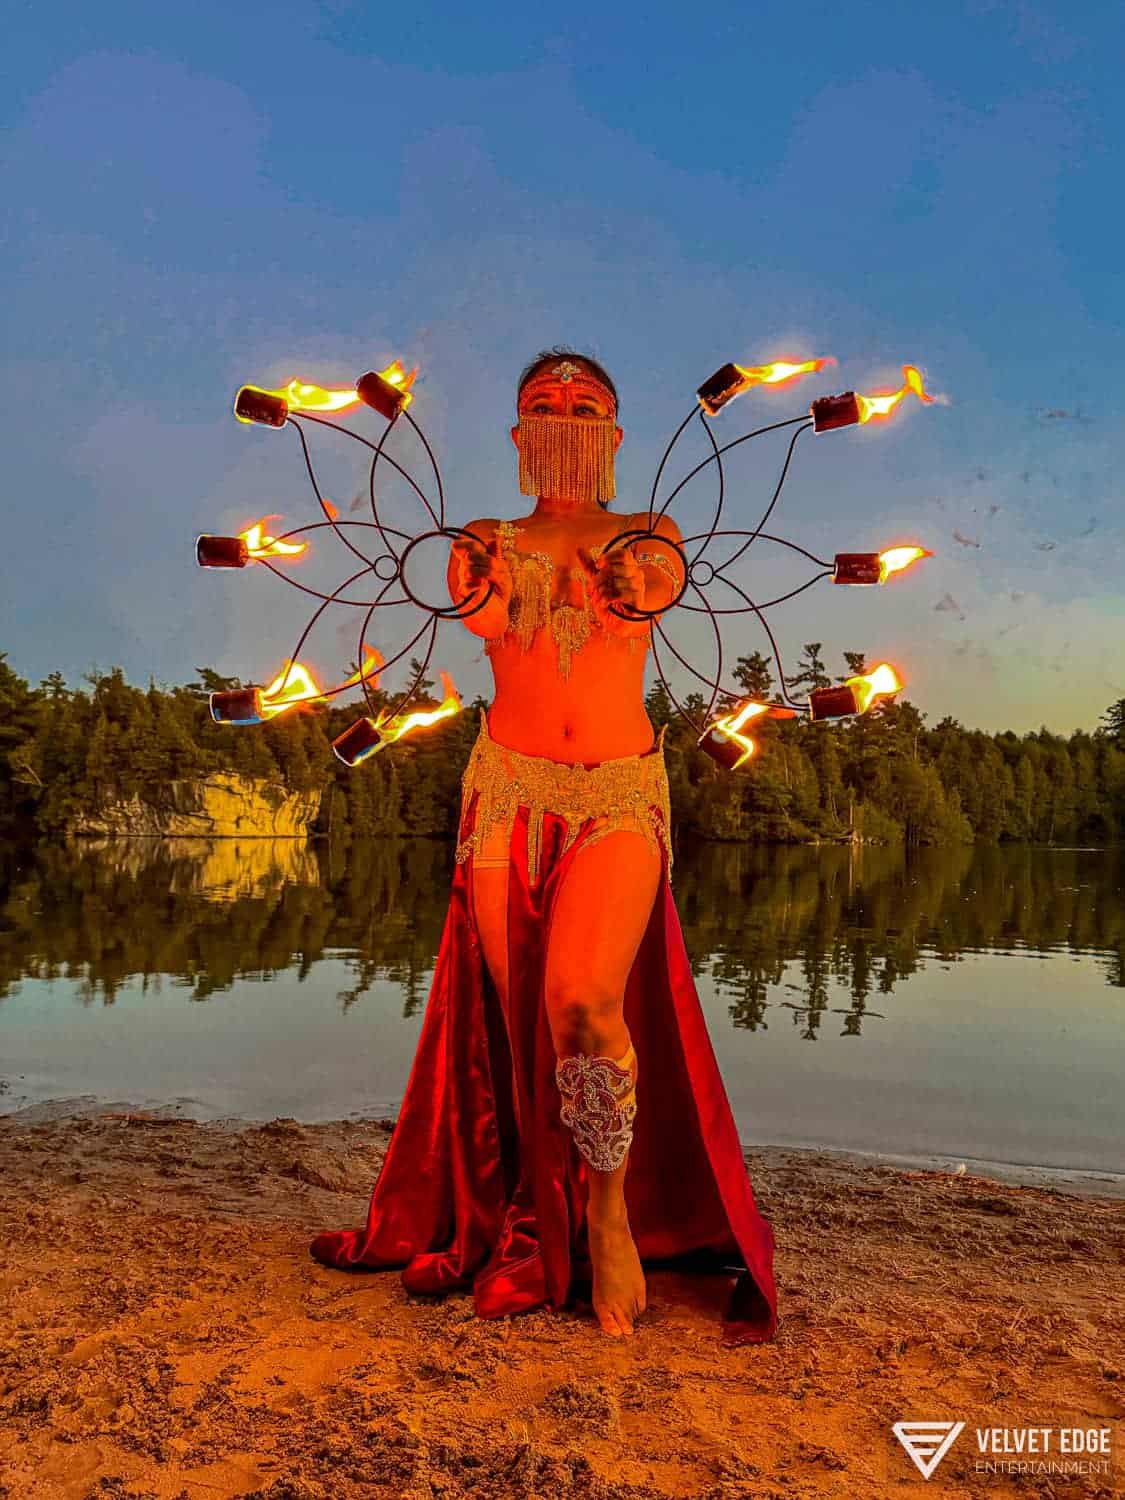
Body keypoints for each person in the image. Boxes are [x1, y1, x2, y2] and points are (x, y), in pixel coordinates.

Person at [309, 348, 777, 1345]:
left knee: (580, 1000)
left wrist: (619, 587)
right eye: (541, 402)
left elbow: (644, 598)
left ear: (612, 431)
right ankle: (529, 1220)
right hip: (506, 791)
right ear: (519, 431)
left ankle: (605, 1219)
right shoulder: (480, 535)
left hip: (617, 793)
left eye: (584, 402)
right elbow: (493, 628)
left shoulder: (651, 532)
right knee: (519, 1021)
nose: (561, 411)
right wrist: (487, 586)